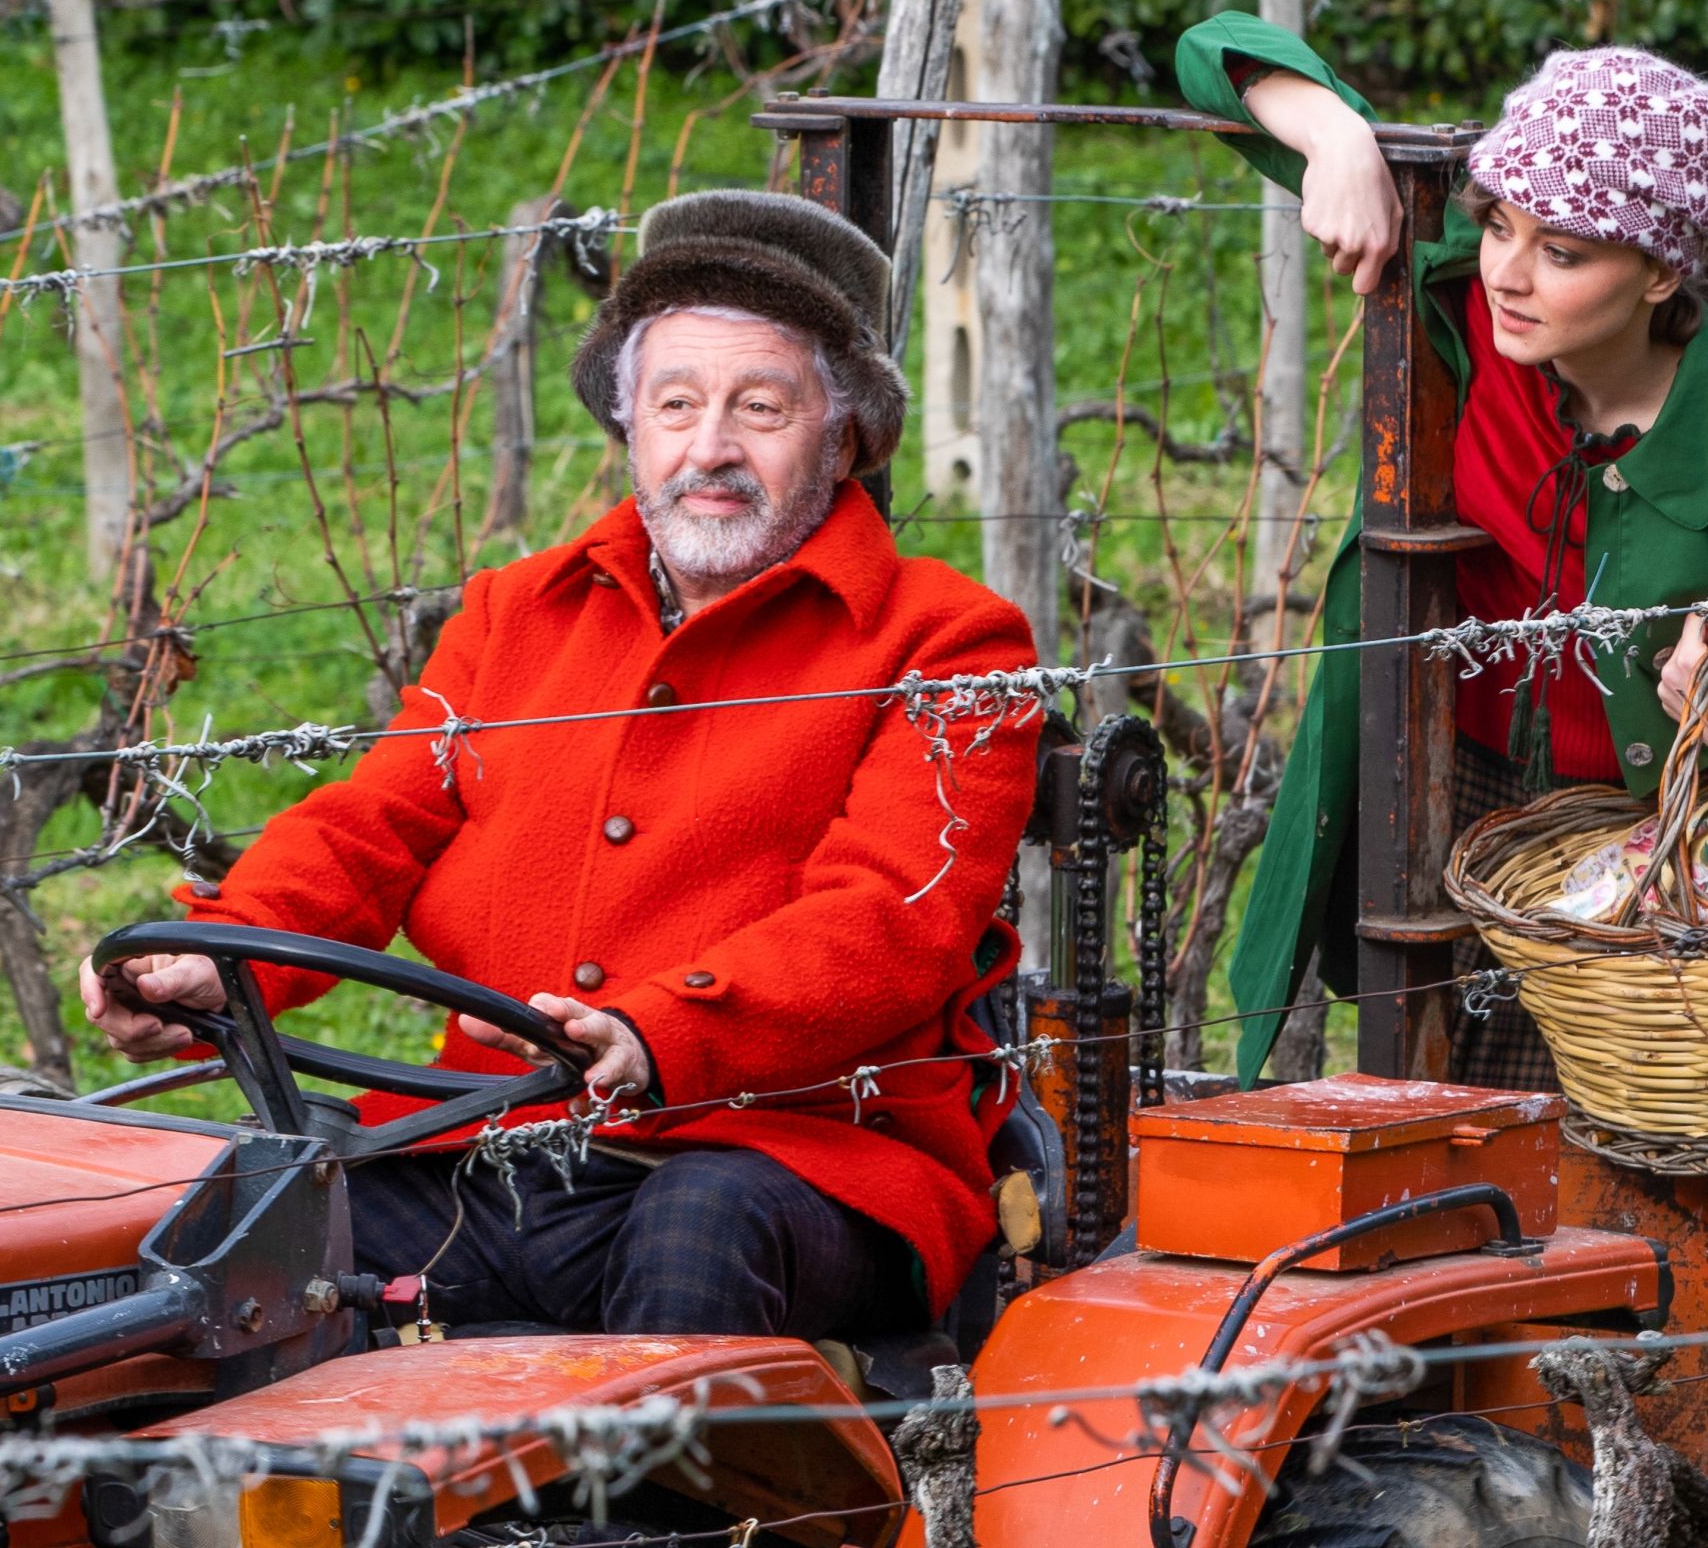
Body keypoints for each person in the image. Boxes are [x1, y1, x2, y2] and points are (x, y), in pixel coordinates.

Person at [79, 191, 1041, 1342]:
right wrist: (214, 951)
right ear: (629, 420)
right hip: (486, 1141)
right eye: (674, 403)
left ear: (844, 435)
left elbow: (891, 917)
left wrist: (659, 1028)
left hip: (800, 1158)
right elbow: (372, 825)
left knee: (699, 1224)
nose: (710, 447)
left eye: (762, 406)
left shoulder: (951, 639)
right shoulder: (513, 610)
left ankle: (675, 1524)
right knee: (225, 1251)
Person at [1195, 16, 1708, 1088]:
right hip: (1435, 770)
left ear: (1658, 273)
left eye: (1559, 251)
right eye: (1497, 222)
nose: (1506, 270)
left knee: (1576, 1131)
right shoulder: (1474, 299)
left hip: (1635, 838)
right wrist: (1336, 141)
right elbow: (1212, 49)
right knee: (1413, 1088)